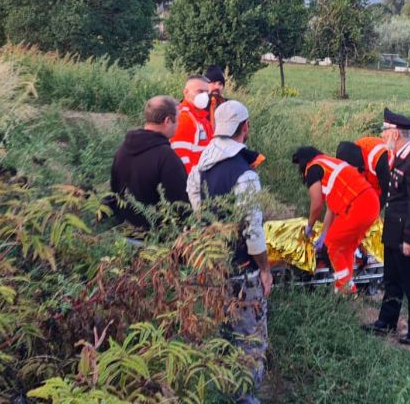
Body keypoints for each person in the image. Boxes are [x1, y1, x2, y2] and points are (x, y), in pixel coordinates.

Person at [186, 100, 272, 404]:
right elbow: (253, 232)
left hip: (211, 268)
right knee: (248, 337)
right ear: (244, 128)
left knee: (218, 332)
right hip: (241, 270)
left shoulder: (199, 169)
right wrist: (264, 269)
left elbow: (199, 217)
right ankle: (244, 395)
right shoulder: (245, 174)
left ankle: (217, 390)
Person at [364, 108, 410, 345]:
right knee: (391, 278)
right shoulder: (400, 156)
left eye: (385, 131)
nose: (382, 135)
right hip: (393, 228)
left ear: (395, 134)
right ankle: (387, 321)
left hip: (406, 232)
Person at [292, 146, 381, 294]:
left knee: (332, 246)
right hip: (371, 203)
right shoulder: (329, 164)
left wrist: (309, 227)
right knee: (346, 247)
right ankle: (346, 287)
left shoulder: (312, 169)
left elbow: (317, 205)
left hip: (358, 206)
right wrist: (325, 233)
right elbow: (331, 209)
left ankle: (344, 286)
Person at [107, 96, 190, 229]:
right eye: (178, 119)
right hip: (155, 236)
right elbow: (180, 206)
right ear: (168, 120)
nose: (178, 124)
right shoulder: (167, 157)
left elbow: (114, 191)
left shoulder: (123, 150)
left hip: (123, 232)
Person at [171, 75, 213, 174]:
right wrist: (192, 183)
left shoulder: (201, 118)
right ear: (186, 92)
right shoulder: (184, 118)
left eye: (207, 92)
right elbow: (181, 156)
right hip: (193, 181)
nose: (204, 96)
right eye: (200, 91)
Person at [337, 136, 391, 207]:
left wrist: (374, 213)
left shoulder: (377, 158)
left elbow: (386, 191)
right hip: (375, 176)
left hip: (395, 173)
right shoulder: (353, 152)